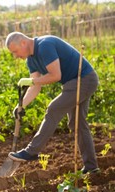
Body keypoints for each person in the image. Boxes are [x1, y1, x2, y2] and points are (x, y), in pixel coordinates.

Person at [5, 32, 99, 174]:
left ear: (23, 43)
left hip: (84, 79)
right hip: (72, 83)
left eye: (15, 51)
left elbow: (55, 75)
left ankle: (31, 151)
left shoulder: (45, 45)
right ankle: (92, 167)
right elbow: (35, 87)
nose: (15, 56)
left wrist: (32, 81)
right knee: (77, 124)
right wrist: (21, 105)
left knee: (54, 109)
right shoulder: (31, 60)